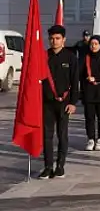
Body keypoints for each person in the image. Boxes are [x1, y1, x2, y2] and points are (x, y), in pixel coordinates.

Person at [39, 25, 79, 180]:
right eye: (51, 38)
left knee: (62, 135)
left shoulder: (71, 58)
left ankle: (60, 165)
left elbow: (75, 82)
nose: (54, 41)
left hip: (64, 103)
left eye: (57, 38)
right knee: (47, 136)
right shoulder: (44, 56)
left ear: (64, 40)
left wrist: (73, 102)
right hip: (47, 103)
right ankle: (48, 167)